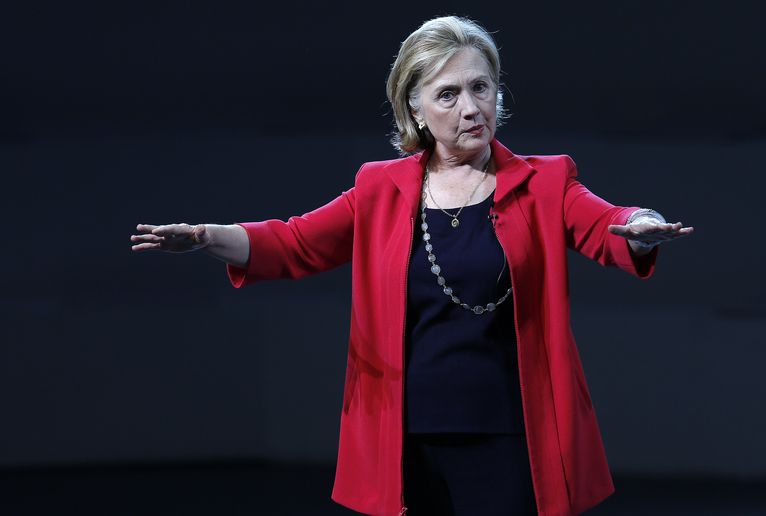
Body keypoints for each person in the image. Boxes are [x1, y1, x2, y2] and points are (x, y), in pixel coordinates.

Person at [131, 15, 692, 516]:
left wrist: (644, 224)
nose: (471, 108)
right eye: (448, 95)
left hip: (512, 435)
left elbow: (608, 224)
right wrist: (206, 237)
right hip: (406, 437)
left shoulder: (544, 182)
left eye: (481, 88)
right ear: (415, 110)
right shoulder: (381, 188)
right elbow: (293, 242)